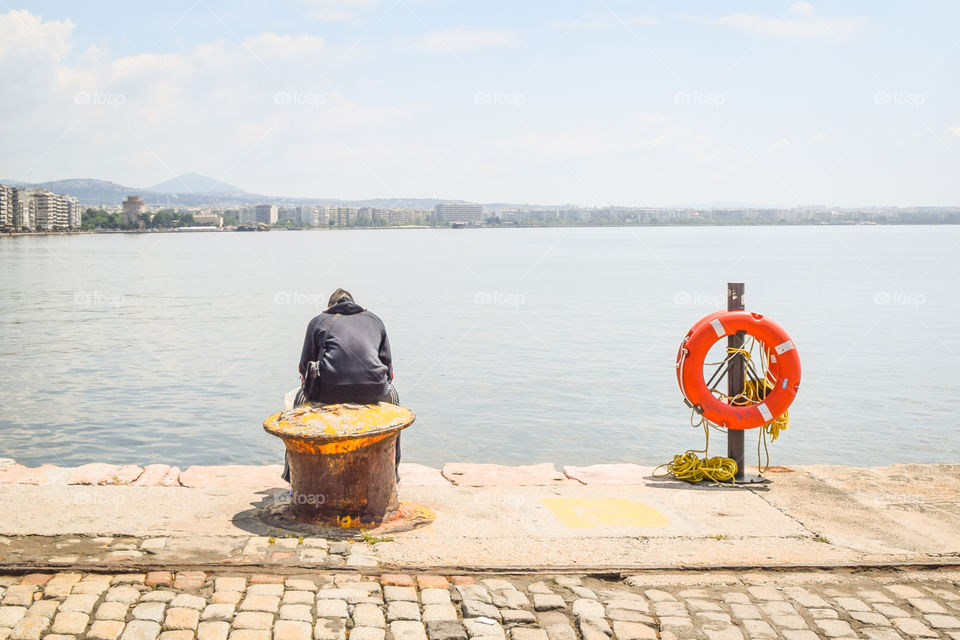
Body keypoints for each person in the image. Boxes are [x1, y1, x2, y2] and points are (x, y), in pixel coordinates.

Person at [281, 288, 399, 482]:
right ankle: (393, 474)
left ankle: (292, 476)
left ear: (329, 307)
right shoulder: (375, 320)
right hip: (374, 389)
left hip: (328, 391)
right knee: (394, 400)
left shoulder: (318, 321)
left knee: (298, 403)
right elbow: (389, 370)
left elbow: (304, 368)